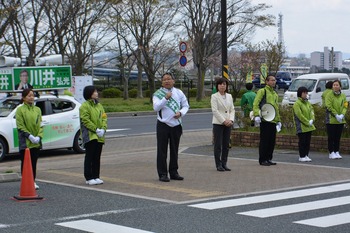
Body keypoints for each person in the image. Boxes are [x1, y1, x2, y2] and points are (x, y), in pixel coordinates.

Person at [153, 72, 189, 182]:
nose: (167, 81)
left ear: (173, 80)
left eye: (169, 79)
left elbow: (186, 105)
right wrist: (165, 98)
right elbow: (156, 107)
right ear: (162, 82)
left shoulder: (179, 92)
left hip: (176, 125)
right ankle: (162, 174)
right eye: (164, 80)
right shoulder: (158, 94)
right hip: (163, 125)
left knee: (174, 150)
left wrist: (181, 113)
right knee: (162, 150)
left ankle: (174, 172)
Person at [79, 85, 108, 185]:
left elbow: (104, 117)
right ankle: (89, 177)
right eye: (95, 92)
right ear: (89, 94)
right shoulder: (84, 106)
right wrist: (95, 129)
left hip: (99, 135)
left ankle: (96, 176)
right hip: (90, 135)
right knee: (90, 156)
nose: (97, 93)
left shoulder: (99, 105)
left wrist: (103, 129)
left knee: (97, 156)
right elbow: (85, 120)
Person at [16, 88, 43, 190]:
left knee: (34, 162)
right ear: (23, 98)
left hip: (36, 141)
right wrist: (29, 136)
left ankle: (33, 181)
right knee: (25, 162)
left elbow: (41, 124)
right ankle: (26, 181)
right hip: (25, 141)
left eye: (32, 95)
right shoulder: (20, 110)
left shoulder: (37, 109)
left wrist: (39, 137)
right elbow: (20, 126)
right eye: (29, 95)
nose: (31, 97)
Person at [253, 75, 281, 166]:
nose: (274, 82)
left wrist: (278, 120)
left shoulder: (275, 94)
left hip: (273, 120)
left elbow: (276, 108)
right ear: (267, 81)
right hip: (265, 119)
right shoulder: (262, 91)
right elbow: (256, 103)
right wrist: (257, 114)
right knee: (264, 140)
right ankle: (263, 159)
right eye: (272, 80)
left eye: (274, 80)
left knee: (271, 141)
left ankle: (269, 158)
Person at [211, 78, 235, 171]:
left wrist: (231, 120)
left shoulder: (229, 96)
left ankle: (224, 163)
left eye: (224, 84)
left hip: (228, 123)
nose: (222, 86)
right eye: (220, 84)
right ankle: (218, 164)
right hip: (218, 123)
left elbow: (232, 109)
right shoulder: (214, 96)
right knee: (218, 145)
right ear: (217, 86)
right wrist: (224, 121)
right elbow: (215, 110)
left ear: (226, 86)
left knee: (226, 144)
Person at [325, 80, 348, 159]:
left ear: (340, 87)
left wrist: (342, 114)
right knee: (331, 137)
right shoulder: (329, 95)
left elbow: (345, 105)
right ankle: (331, 152)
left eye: (337, 85)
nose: (335, 86)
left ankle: (336, 151)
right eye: (334, 85)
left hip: (340, 120)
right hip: (331, 120)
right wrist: (336, 115)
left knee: (338, 137)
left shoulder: (343, 96)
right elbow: (329, 106)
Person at [292, 86, 316, 162]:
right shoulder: (297, 104)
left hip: (309, 126)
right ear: (300, 93)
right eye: (304, 93)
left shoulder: (308, 103)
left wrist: (312, 119)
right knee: (302, 141)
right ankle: (302, 155)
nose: (306, 94)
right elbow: (299, 115)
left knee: (307, 142)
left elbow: (312, 111)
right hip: (302, 126)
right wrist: (306, 122)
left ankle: (306, 155)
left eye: (306, 93)